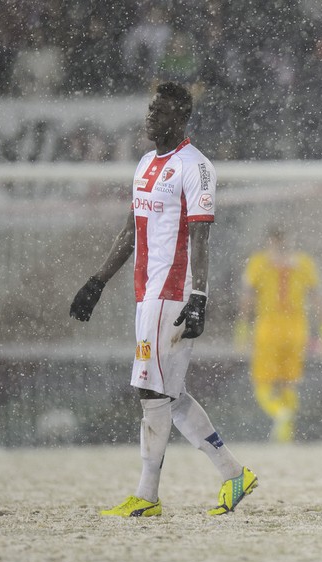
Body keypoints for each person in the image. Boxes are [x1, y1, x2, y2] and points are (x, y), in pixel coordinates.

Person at [70, 81, 257, 517]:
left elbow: (201, 234)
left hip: (172, 293)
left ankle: (148, 494)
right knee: (168, 393)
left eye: (161, 110)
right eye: (150, 108)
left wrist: (199, 296)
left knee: (150, 390)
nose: (150, 116)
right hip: (146, 293)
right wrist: (97, 281)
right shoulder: (143, 164)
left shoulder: (196, 166)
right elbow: (132, 230)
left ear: (181, 117)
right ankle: (234, 474)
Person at [235, 227, 322, 443]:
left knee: (262, 381)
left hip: (268, 327)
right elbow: (318, 298)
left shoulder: (258, 263)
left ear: (269, 242)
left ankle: (279, 413)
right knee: (289, 381)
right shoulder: (304, 263)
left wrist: (242, 327)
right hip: (297, 329)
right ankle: (285, 433)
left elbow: (248, 298)